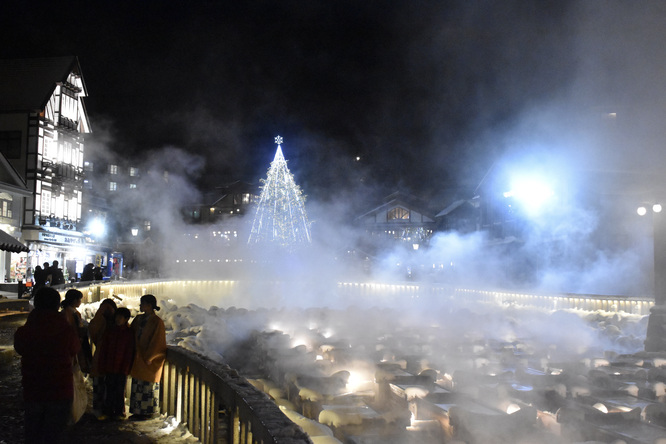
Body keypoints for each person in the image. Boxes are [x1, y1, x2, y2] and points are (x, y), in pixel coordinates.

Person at [14, 287, 81, 444]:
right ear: (57, 305)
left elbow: (19, 347)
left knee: (33, 432)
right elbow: (75, 348)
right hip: (60, 389)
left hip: (34, 388)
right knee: (55, 434)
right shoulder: (65, 330)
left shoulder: (27, 330)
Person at [129, 294, 166, 420]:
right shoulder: (139, 319)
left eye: (143, 303)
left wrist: (150, 356)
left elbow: (158, 341)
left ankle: (147, 412)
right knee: (138, 385)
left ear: (150, 306)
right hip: (139, 356)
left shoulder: (157, 322)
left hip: (149, 359)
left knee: (147, 386)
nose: (140, 306)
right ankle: (137, 411)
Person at [98, 307, 135, 420]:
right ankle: (108, 412)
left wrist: (126, 368)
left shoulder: (128, 333)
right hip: (109, 366)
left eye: (121, 318)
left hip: (121, 367)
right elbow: (104, 349)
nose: (118, 320)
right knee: (109, 390)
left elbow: (129, 352)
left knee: (119, 391)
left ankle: (119, 412)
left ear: (126, 319)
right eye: (117, 317)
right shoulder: (110, 331)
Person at [88, 298, 117, 416]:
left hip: (107, 359)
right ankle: (104, 410)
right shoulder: (104, 322)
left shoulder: (99, 321)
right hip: (107, 359)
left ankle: (103, 410)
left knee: (103, 385)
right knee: (103, 385)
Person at [62, 289, 93, 374]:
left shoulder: (71, 312)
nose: (80, 302)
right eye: (79, 299)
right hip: (73, 345)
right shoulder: (68, 313)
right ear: (74, 300)